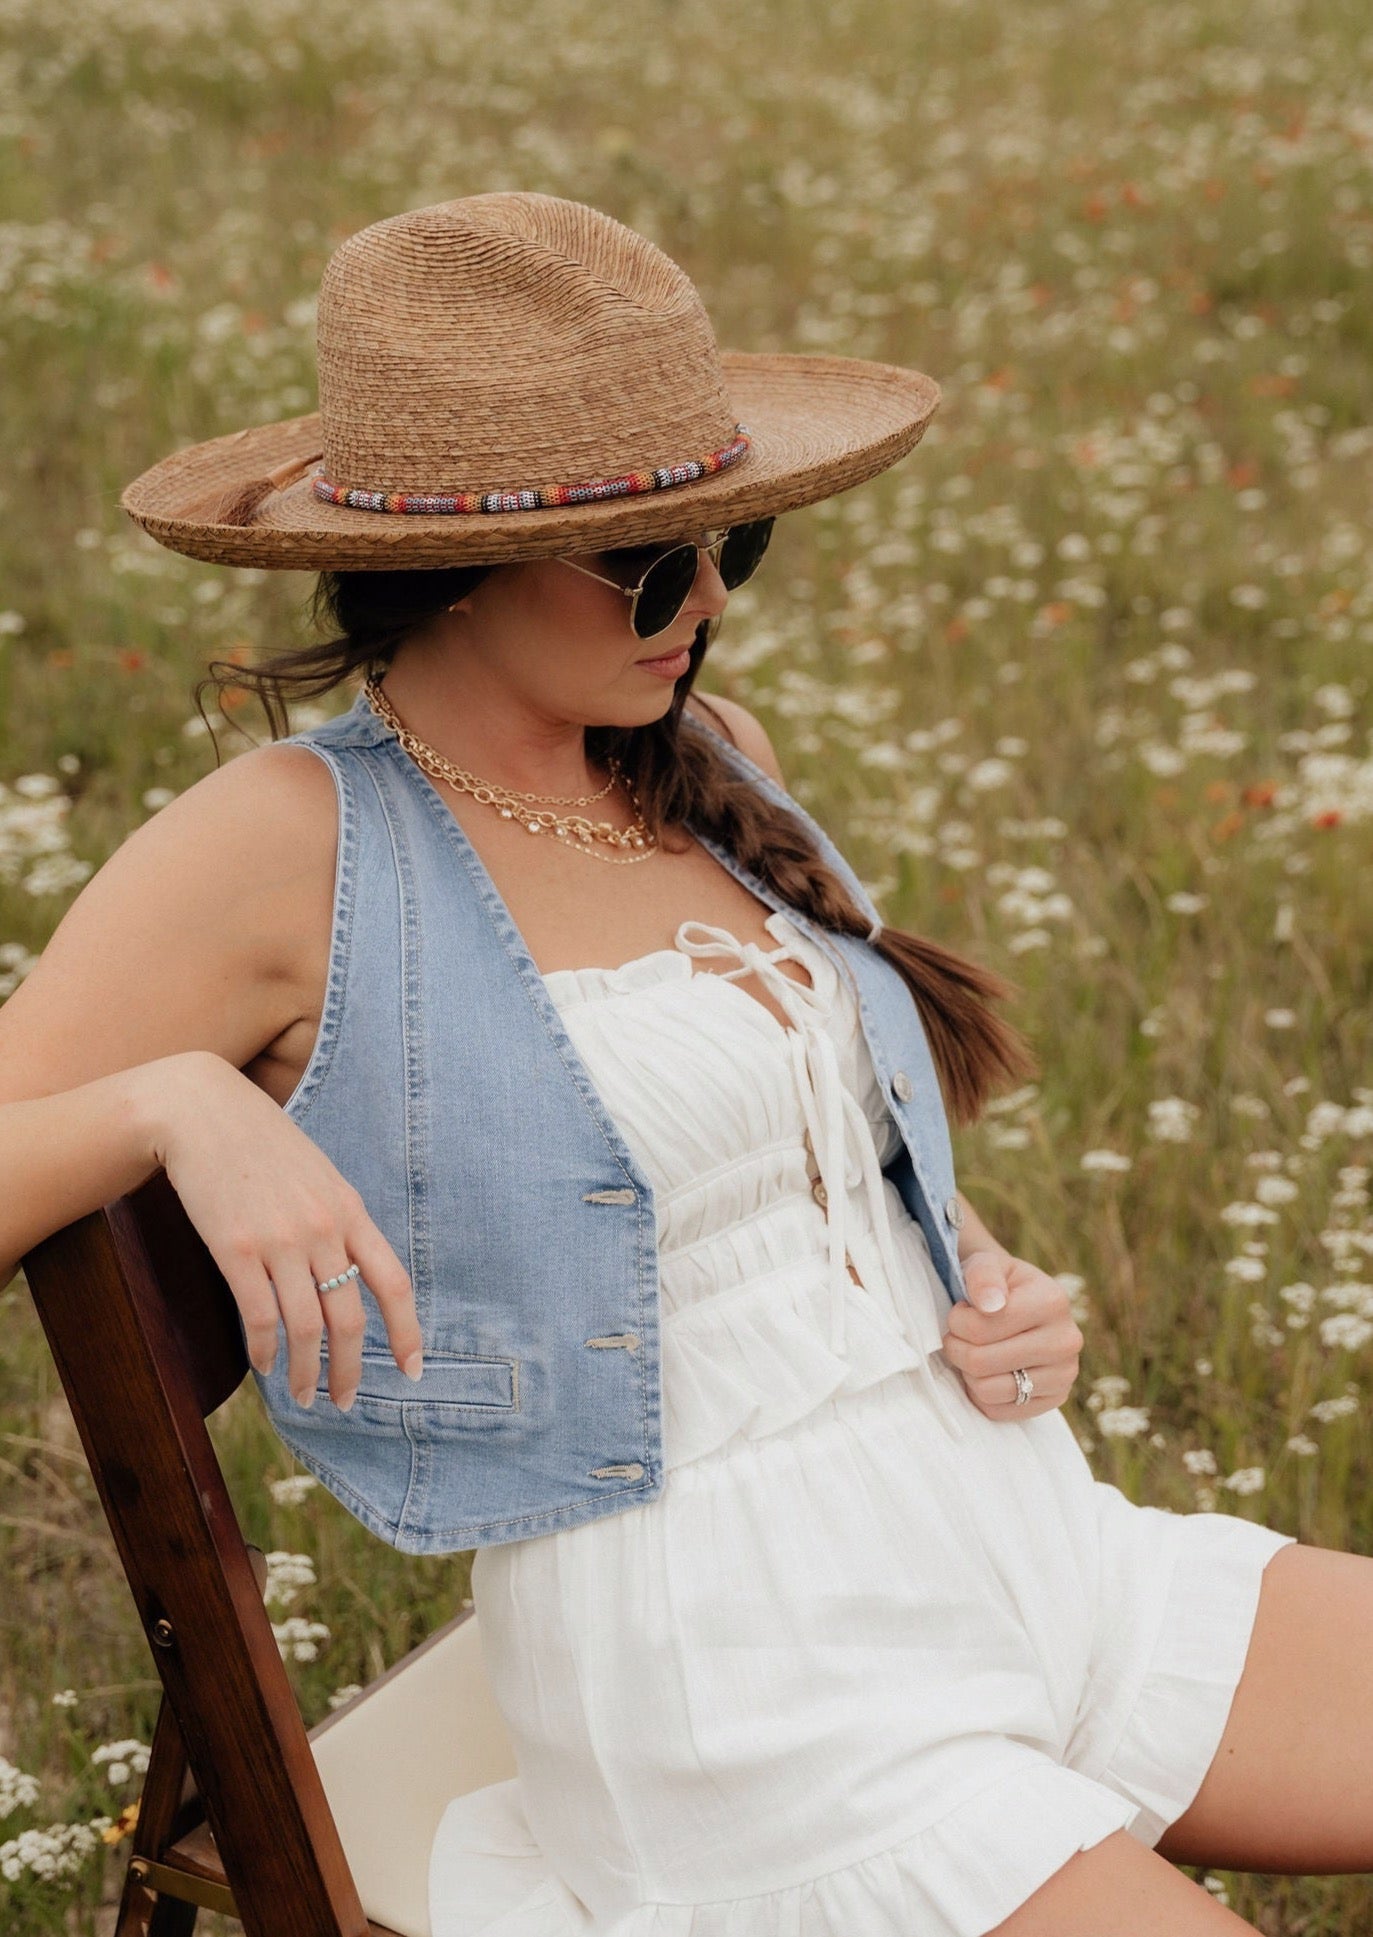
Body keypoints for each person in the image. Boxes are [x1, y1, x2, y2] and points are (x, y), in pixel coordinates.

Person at [2, 191, 1369, 1937]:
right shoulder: (283, 843)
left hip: (1020, 1540)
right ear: (449, 572)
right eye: (654, 563)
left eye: (734, 545)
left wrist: (963, 1259)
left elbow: (755, 1157)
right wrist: (169, 1100)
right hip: (750, 1677)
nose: (710, 599)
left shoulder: (703, 745)